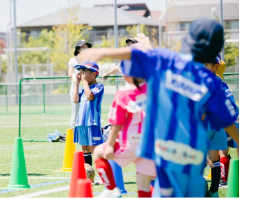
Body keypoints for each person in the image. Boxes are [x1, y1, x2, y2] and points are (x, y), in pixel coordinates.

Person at [76, 19, 239, 197]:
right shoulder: (211, 83)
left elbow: (136, 55)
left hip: (165, 151)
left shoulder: (171, 61)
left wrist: (101, 52)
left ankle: (113, 189)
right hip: (193, 156)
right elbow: (228, 121)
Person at [93, 72, 156, 198]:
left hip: (129, 144)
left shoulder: (123, 94)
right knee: (144, 186)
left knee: (98, 152)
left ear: (125, 76)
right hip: (149, 146)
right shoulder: (155, 89)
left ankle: (111, 189)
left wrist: (110, 145)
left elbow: (116, 124)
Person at [203, 53, 229, 197]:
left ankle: (212, 190)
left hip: (208, 126)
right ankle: (214, 191)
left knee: (207, 158)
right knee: (213, 159)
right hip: (216, 125)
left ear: (216, 66)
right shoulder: (220, 82)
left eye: (206, 65)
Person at [73, 62, 104, 166]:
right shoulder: (83, 89)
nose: (82, 76)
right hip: (81, 123)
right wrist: (77, 83)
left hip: (92, 123)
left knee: (96, 149)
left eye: (85, 72)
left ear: (94, 74)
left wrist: (85, 82)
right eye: (81, 73)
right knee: (85, 149)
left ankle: (103, 176)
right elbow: (75, 100)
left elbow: (89, 96)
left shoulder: (99, 86)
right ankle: (90, 177)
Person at [214, 57, 239, 186]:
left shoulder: (214, 82)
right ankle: (224, 179)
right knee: (224, 149)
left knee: (222, 149)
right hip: (230, 117)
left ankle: (222, 179)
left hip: (222, 119)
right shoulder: (221, 82)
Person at [68, 40, 92, 130]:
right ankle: (73, 135)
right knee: (75, 113)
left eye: (86, 46)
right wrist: (79, 76)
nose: (85, 48)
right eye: (82, 47)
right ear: (78, 49)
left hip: (87, 90)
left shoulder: (90, 60)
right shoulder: (73, 60)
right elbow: (70, 74)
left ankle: (86, 134)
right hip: (76, 90)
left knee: (88, 112)